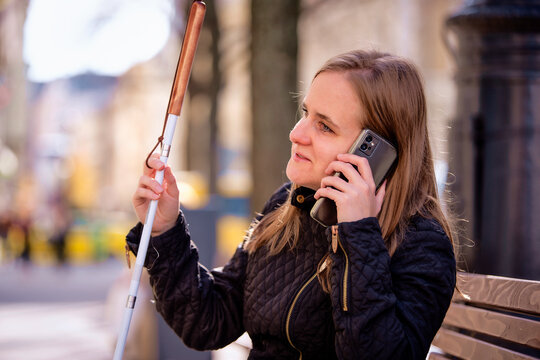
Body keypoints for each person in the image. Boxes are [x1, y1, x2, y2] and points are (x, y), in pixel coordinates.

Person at [126, 50, 457, 359]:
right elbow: (206, 321)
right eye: (305, 113)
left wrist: (358, 237)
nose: (296, 133)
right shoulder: (289, 208)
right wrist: (165, 230)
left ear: (375, 153)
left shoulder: (422, 246)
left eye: (324, 126)